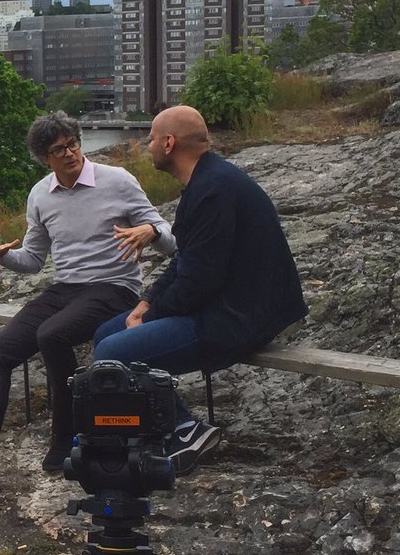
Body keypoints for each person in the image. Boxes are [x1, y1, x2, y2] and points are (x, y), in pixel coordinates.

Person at [0, 111, 176, 491]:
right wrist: (5, 256)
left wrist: (151, 230)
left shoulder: (117, 181)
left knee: (52, 334)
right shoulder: (41, 194)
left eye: (73, 144)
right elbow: (34, 259)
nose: (70, 153)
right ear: (45, 158)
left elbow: (170, 239)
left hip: (114, 287)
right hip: (65, 289)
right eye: (59, 150)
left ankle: (67, 437)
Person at [92, 104, 307, 472]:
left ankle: (185, 429)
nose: (148, 146)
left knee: (114, 352)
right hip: (223, 304)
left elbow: (199, 282)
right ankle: (150, 427)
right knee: (104, 334)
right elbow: (185, 260)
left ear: (169, 143)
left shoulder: (214, 190)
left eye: (152, 140)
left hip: (239, 317)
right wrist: (147, 302)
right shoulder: (205, 183)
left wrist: (150, 317)